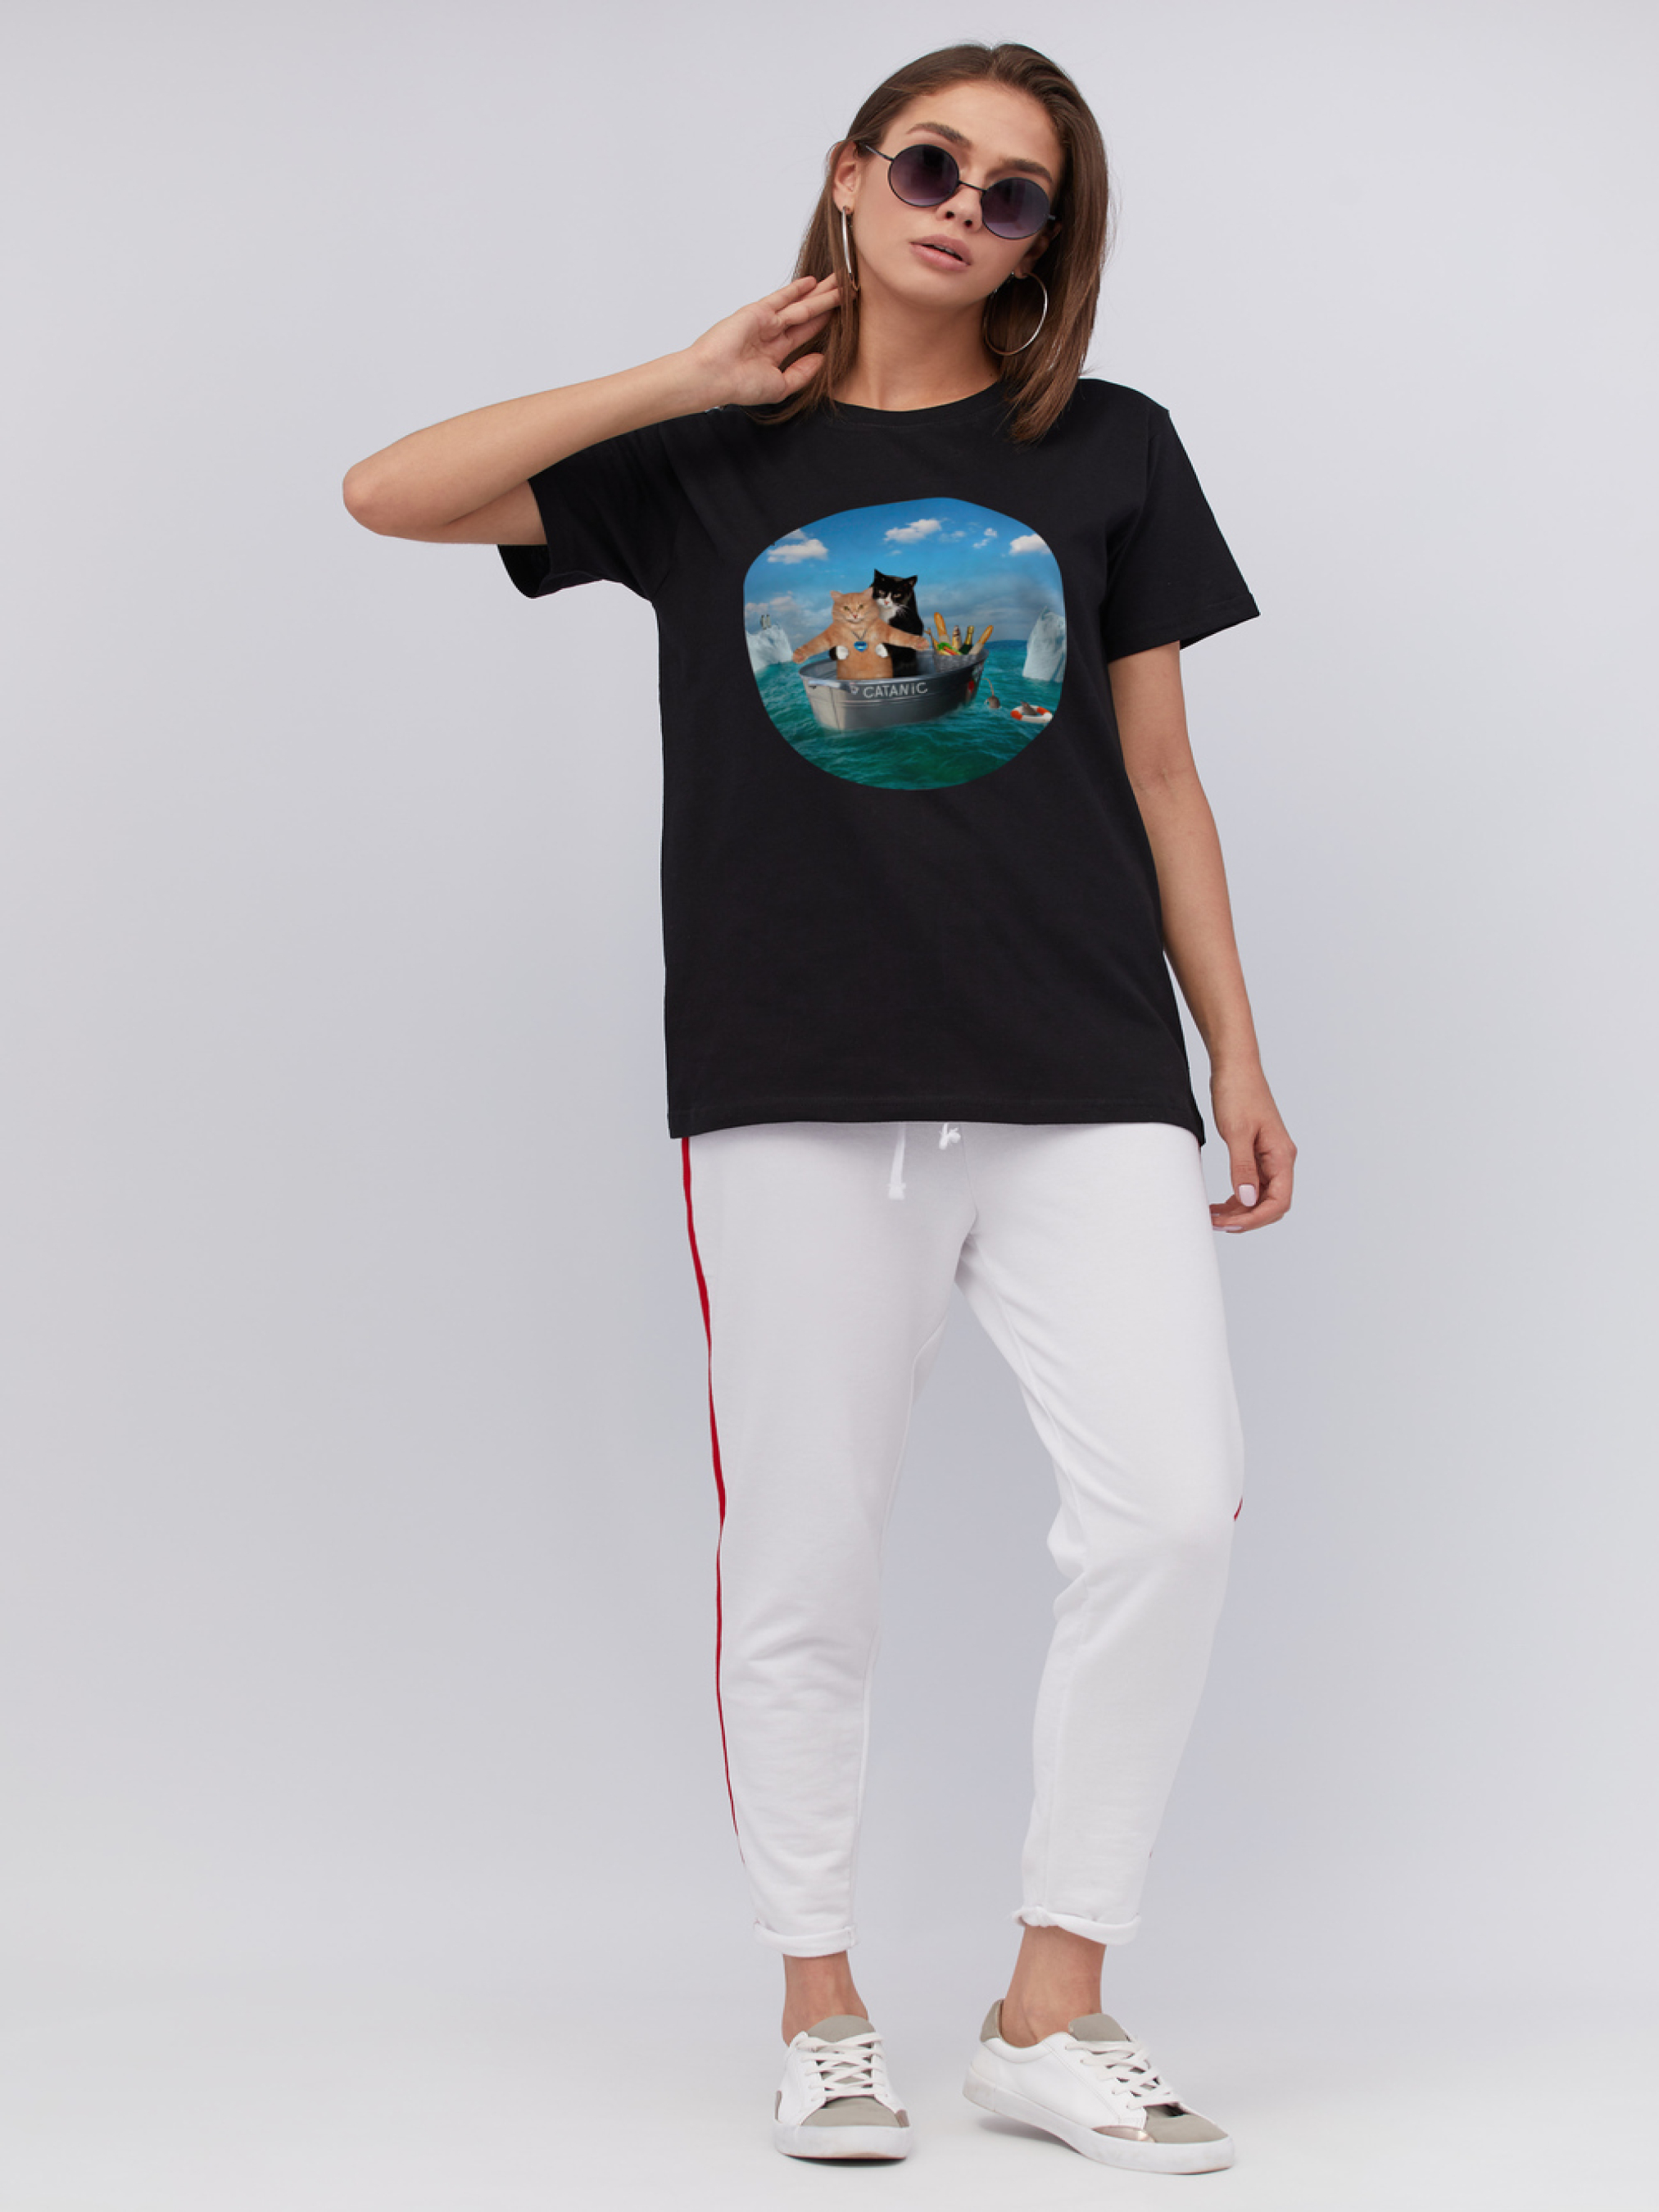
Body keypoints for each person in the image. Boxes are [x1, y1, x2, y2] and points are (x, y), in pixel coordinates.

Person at [342, 39, 1294, 2178]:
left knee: (1169, 1508)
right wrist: (683, 374)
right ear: (852, 176)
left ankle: (1051, 2004)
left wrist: (1231, 1049)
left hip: (1079, 1070)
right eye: (932, 165)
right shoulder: (706, 455)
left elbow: (1158, 773)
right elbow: (386, 493)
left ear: (1046, 243)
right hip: (794, 1070)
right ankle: (818, 2002)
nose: (965, 209)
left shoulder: (1110, 447)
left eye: (1016, 194)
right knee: (803, 1550)